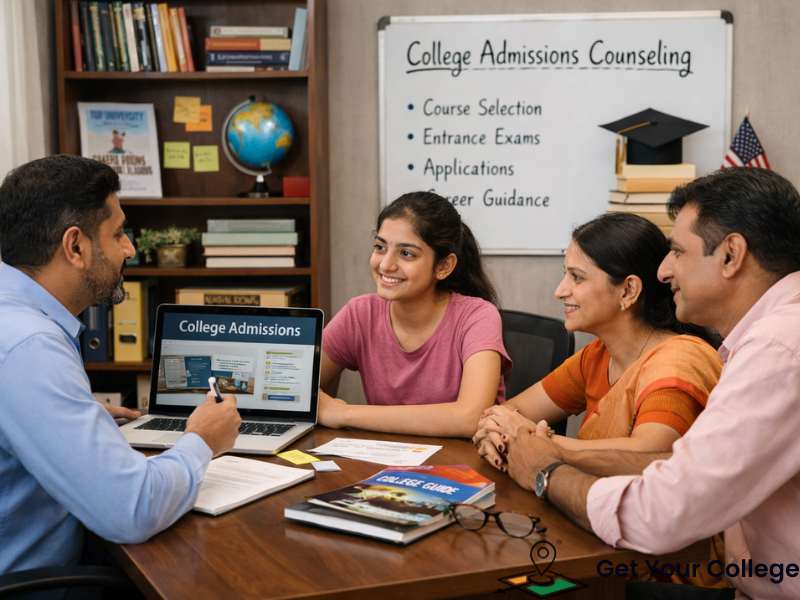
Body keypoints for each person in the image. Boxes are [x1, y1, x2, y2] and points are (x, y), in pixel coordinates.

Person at [504, 167, 800, 599]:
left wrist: (546, 469)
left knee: (526, 587)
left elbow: (661, 510)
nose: (665, 270)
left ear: (731, 254)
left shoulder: (777, 348)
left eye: (678, 251)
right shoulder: (768, 338)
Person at [0, 155, 242, 575]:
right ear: (75, 246)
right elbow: (133, 510)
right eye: (118, 234)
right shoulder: (30, 346)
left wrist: (80, 416)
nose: (129, 248)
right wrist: (202, 440)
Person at [474, 213, 722, 468]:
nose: (560, 291)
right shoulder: (598, 354)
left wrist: (536, 441)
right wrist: (499, 432)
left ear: (628, 290)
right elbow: (510, 412)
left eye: (577, 277)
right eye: (566, 275)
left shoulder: (679, 360)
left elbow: (647, 456)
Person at [317, 191, 511, 437]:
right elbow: (295, 388)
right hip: (387, 463)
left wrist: (342, 413)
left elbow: (472, 418)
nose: (386, 264)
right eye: (380, 247)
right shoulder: (360, 313)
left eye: (406, 253)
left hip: (462, 467)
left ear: (444, 266)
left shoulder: (478, 316)